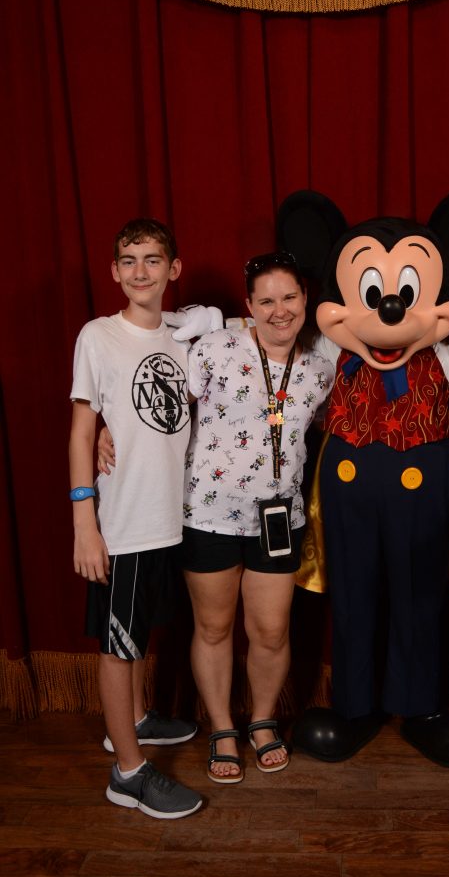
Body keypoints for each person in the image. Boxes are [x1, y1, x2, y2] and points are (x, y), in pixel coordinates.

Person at [181, 252, 335, 783]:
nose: (278, 311)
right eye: (265, 300)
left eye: (288, 297)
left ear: (305, 300)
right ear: (248, 306)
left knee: (270, 631)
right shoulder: (214, 348)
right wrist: (108, 428)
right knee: (214, 626)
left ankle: (263, 721)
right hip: (208, 515)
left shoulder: (321, 366)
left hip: (279, 520)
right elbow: (164, 407)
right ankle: (224, 726)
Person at [69, 218, 201, 819]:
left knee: (140, 631)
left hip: (168, 520)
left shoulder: (185, 337)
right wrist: (85, 523)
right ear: (114, 270)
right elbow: (80, 430)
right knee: (118, 647)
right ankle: (127, 771)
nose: (140, 271)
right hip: (121, 522)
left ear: (173, 269)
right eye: (129, 260)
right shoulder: (98, 336)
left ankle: (139, 720)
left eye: (152, 260)